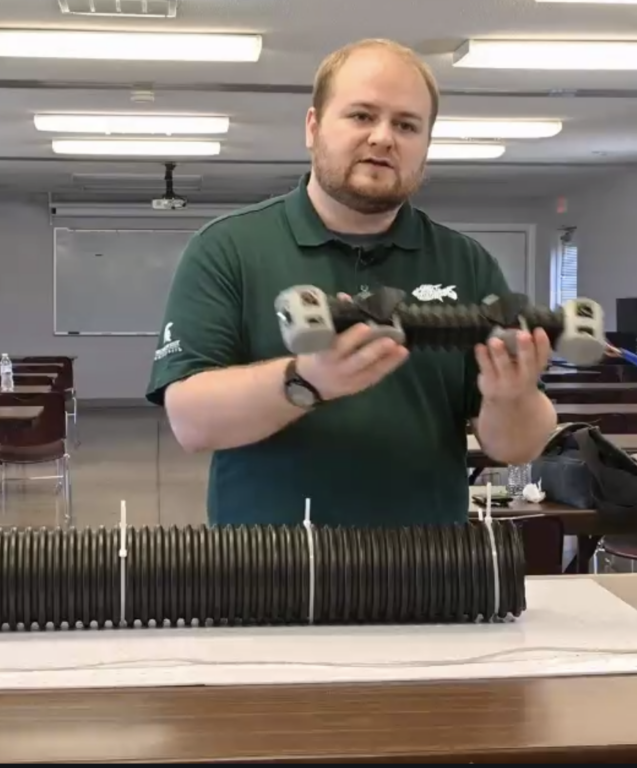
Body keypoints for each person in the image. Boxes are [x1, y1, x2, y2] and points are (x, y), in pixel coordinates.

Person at [145, 38, 559, 527]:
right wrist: (307, 379)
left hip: (429, 577)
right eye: (362, 116)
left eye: (406, 125)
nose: (383, 138)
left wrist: (512, 396)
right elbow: (191, 422)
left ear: (426, 145)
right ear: (313, 127)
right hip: (267, 575)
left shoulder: (465, 261)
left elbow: (514, 448)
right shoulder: (228, 248)